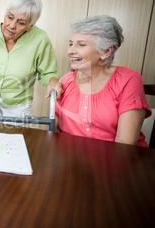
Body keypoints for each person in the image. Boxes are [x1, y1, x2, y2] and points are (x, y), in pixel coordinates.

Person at [55, 15, 151, 146]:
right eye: (71, 44)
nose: (70, 51)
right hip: (72, 159)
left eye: (81, 45)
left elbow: (125, 143)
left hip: (117, 161)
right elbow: (55, 130)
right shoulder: (66, 81)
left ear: (105, 51)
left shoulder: (129, 79)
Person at [0, 0, 61, 120]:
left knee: (13, 139)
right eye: (10, 17)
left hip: (17, 107)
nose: (12, 25)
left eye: (21, 23)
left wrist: (52, 80)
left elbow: (48, 72)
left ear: (30, 26)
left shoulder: (40, 39)